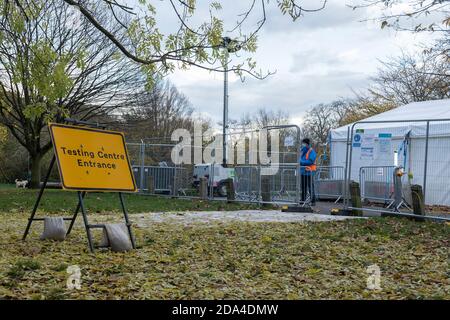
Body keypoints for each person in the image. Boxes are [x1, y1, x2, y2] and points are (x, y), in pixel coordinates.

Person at [299, 138, 317, 205]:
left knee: (310, 187)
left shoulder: (311, 151)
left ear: (307, 144)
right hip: (303, 171)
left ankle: (313, 201)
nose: (302, 144)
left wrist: (301, 162)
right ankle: (303, 200)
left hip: (310, 172)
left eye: (303, 143)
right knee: (303, 187)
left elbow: (310, 161)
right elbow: (299, 158)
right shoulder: (302, 151)